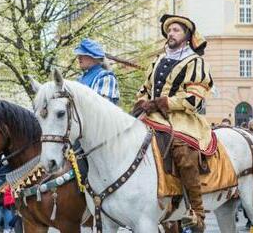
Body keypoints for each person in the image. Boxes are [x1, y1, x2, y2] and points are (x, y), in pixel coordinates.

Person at [133, 14, 214, 232]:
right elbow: (144, 88)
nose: (171, 33)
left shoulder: (195, 62)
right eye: (169, 30)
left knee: (183, 152)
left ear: (187, 37)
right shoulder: (158, 60)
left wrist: (161, 102)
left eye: (176, 30)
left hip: (182, 119)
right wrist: (143, 101)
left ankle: (197, 213)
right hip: (153, 116)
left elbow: (194, 98)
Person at [75, 38, 120, 105]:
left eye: (82, 55)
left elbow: (101, 109)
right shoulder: (79, 79)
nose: (79, 57)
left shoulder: (106, 77)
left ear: (94, 57)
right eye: (79, 55)